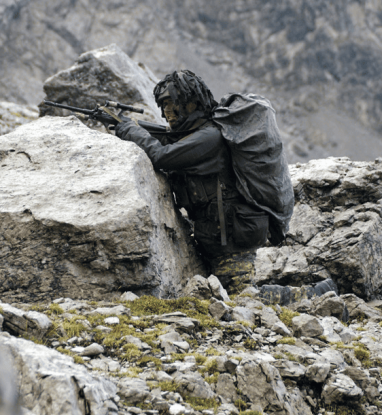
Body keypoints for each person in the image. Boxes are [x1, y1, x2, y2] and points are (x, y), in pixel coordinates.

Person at [114, 69, 338, 300]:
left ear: (191, 103)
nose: (167, 111)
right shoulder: (201, 133)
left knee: (241, 296)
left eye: (173, 103)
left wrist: (127, 128)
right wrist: (131, 126)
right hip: (220, 235)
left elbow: (163, 155)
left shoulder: (211, 137)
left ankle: (316, 295)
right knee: (222, 293)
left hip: (233, 236)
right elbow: (168, 141)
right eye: (163, 104)